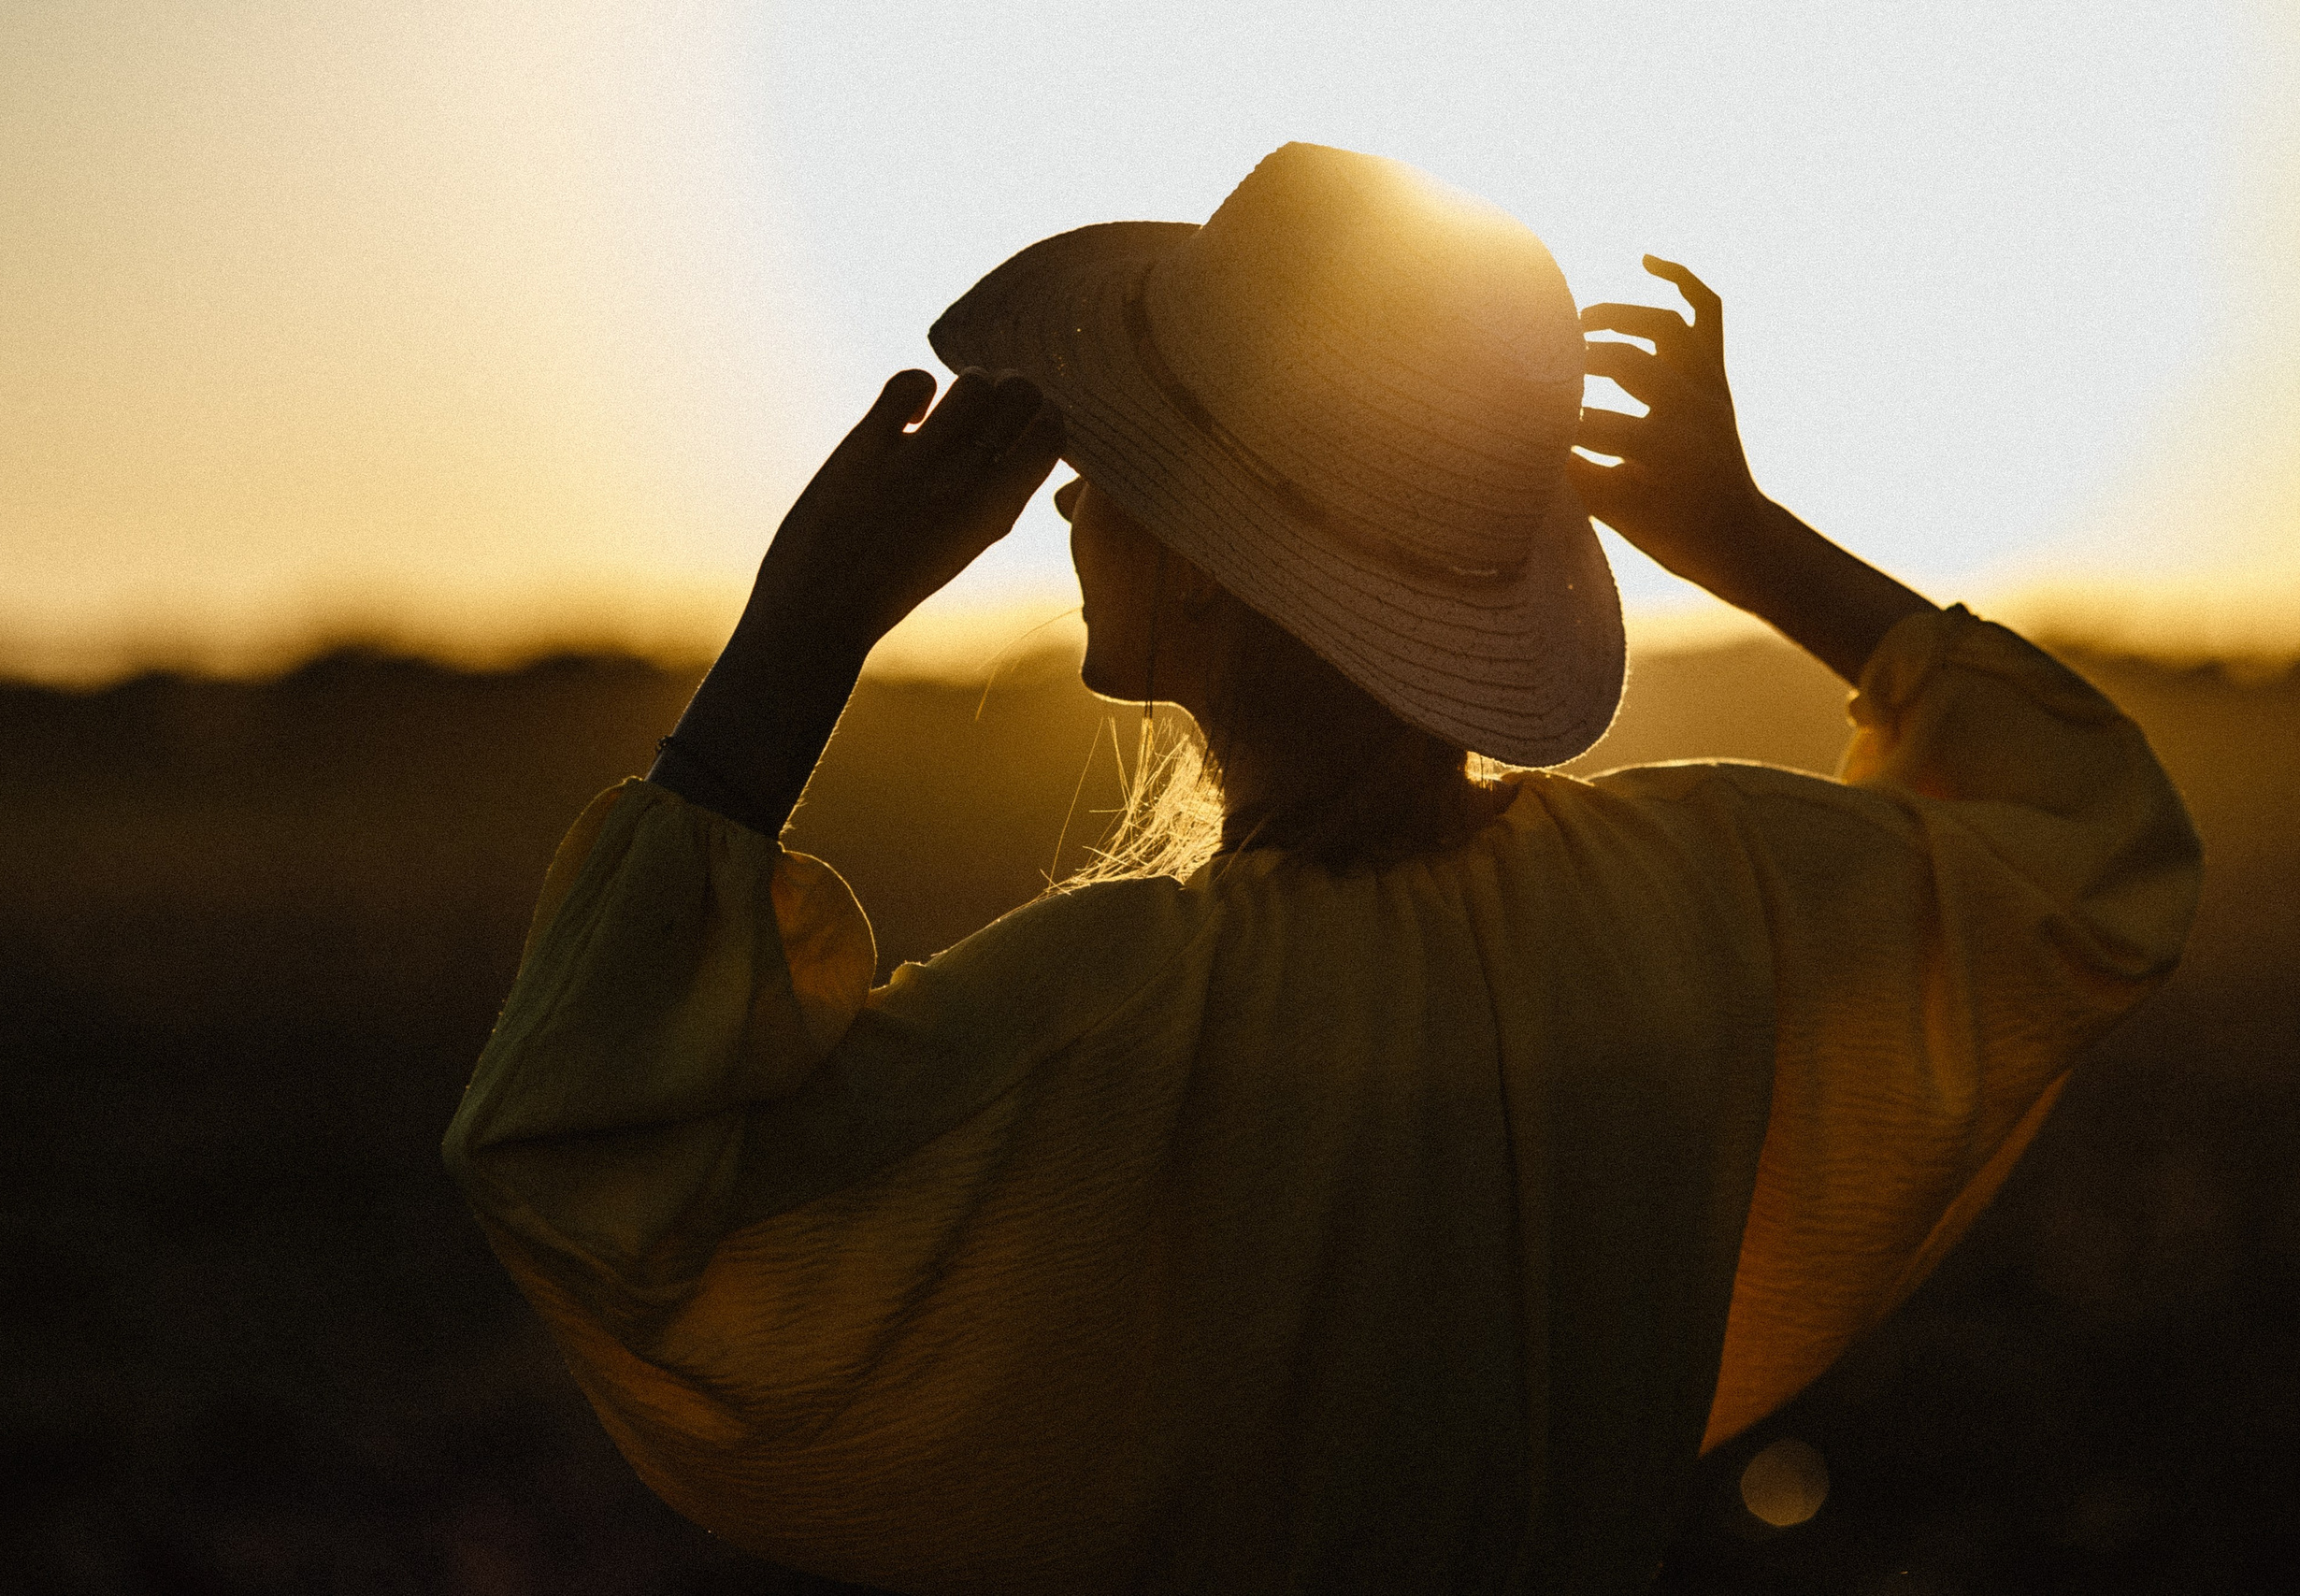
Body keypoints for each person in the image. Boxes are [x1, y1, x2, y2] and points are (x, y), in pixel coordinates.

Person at [444, 145, 2201, 1594]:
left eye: (1116, 468)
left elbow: (595, 1168)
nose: (1068, 502)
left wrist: (798, 640)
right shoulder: (1702, 902)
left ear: (1215, 570)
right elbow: (2089, 837)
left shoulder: (1114, 1023)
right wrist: (1750, 541)